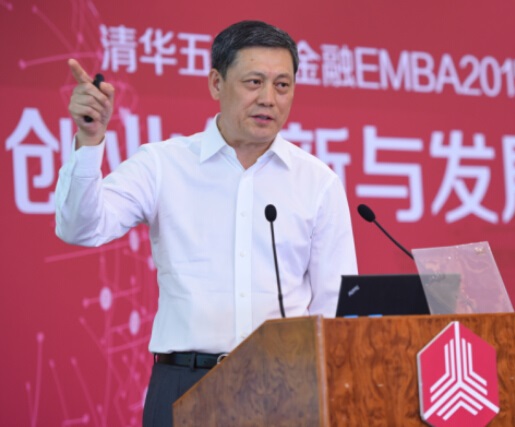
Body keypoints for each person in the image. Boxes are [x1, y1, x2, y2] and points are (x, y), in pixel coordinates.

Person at [55, 20, 358, 427]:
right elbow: (81, 228)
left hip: (285, 388)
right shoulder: (163, 164)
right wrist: (90, 141)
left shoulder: (317, 182)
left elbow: (335, 305)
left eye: (282, 85)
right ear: (217, 83)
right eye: (254, 82)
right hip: (184, 383)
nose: (268, 99)